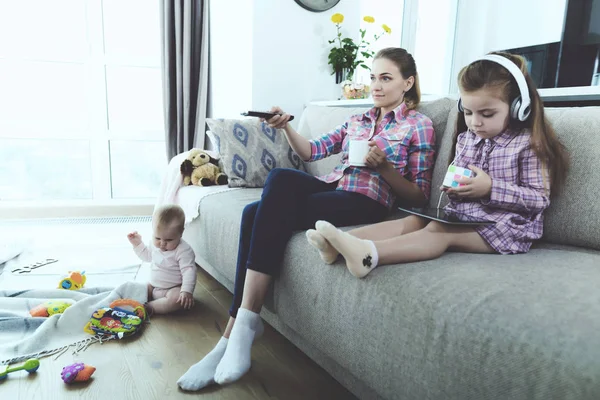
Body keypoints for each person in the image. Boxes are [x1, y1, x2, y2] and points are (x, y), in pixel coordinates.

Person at [176, 47, 436, 390]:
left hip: (367, 201)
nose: (376, 85)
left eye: (386, 78)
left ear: (408, 82)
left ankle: (235, 331)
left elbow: (419, 196)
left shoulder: (419, 125)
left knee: (263, 206)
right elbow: (312, 151)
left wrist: (384, 168)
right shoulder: (359, 119)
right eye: (373, 77)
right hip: (334, 190)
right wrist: (284, 127)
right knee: (266, 196)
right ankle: (243, 327)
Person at [307, 52, 569, 279]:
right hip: (466, 218)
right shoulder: (468, 139)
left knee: (438, 230)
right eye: (467, 112)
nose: (475, 122)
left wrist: (490, 188)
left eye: (486, 114)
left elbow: (538, 200)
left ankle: (368, 255)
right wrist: (454, 188)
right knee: (413, 221)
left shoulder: (528, 144)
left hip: (507, 229)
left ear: (517, 109)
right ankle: (341, 242)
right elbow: (458, 177)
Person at [127, 204, 196, 315]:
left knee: (177, 300)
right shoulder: (155, 245)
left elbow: (189, 271)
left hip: (172, 289)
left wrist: (186, 291)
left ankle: (150, 308)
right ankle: (133, 301)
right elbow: (147, 257)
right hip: (153, 285)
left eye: (169, 239)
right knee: (139, 289)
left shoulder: (184, 251)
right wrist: (137, 244)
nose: (162, 243)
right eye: (157, 238)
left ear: (181, 233)